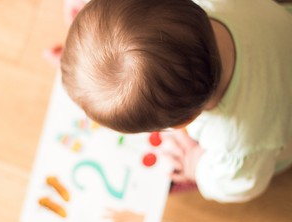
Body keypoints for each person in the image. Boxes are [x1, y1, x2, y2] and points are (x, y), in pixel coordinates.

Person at [60, 0, 292, 203]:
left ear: (187, 122)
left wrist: (196, 165)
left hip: (278, 132)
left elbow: (240, 185)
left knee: (172, 176)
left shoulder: (236, 146)